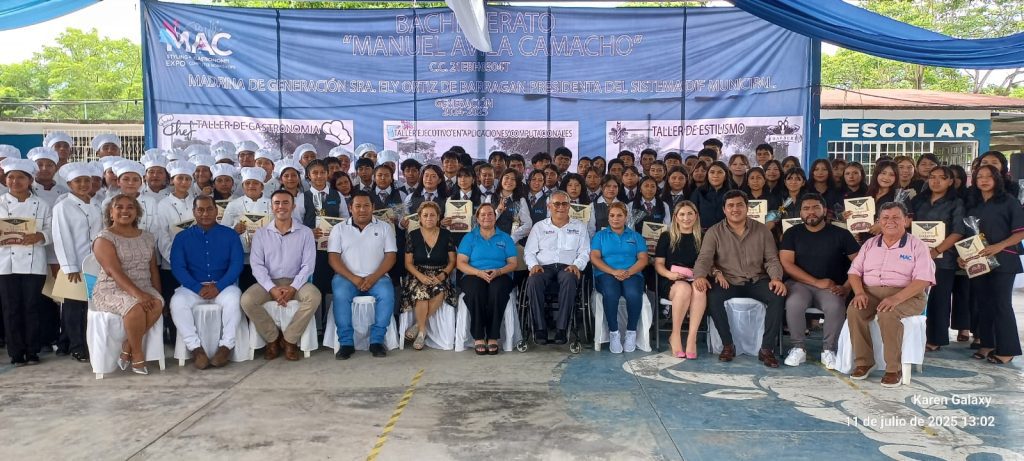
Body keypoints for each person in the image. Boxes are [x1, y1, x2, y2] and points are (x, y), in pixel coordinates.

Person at [693, 190, 787, 367]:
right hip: (729, 281)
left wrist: (776, 278)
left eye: (739, 205)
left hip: (757, 280)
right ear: (724, 209)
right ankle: (728, 345)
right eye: (730, 205)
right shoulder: (714, 232)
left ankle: (766, 349)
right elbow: (705, 258)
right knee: (713, 297)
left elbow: (772, 259)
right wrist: (699, 276)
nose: (735, 209)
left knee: (778, 295)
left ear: (747, 208)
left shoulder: (762, 230)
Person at [847, 202, 935, 386]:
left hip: (908, 295)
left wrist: (896, 298)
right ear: (878, 221)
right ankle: (864, 363)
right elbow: (854, 272)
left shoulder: (917, 246)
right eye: (885, 218)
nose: (890, 221)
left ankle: (893, 369)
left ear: (906, 221)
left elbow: (923, 280)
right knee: (855, 310)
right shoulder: (870, 244)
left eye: (896, 217)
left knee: (888, 312)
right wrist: (859, 293)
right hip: (871, 293)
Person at [780, 193, 860, 369]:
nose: (811, 212)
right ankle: (798, 348)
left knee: (835, 306)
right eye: (806, 208)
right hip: (799, 284)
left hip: (832, 285)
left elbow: (859, 263)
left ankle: (829, 350)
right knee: (794, 304)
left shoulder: (841, 234)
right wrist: (816, 282)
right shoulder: (792, 233)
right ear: (800, 212)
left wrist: (847, 287)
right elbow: (786, 263)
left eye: (816, 207)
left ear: (824, 210)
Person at [240, 190, 322, 361]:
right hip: (268, 281)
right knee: (247, 300)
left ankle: (289, 340)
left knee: (314, 297)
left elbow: (308, 265)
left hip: (296, 281)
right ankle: (272, 338)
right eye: (277, 203)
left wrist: (293, 287)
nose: (281, 207)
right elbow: (257, 265)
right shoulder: (261, 233)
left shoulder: (305, 232)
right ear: (272, 207)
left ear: (293, 206)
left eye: (285, 202)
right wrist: (272, 289)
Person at [169, 196, 245, 370]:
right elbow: (178, 268)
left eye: (209, 209)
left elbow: (236, 265)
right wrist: (197, 287)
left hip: (223, 286)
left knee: (234, 300)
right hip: (192, 287)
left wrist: (218, 286)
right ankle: (196, 350)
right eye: (200, 209)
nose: (205, 213)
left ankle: (225, 347)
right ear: (194, 212)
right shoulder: (182, 237)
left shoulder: (230, 235)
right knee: (177, 303)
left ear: (216, 211)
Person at [90, 194, 163, 375]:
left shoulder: (147, 237)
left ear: (137, 212)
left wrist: (157, 294)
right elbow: (114, 272)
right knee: (136, 308)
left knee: (157, 303)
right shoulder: (104, 238)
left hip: (144, 286)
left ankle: (127, 346)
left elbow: (153, 269)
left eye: (130, 207)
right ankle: (137, 354)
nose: (125, 211)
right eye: (119, 207)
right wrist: (138, 295)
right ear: (111, 212)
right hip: (111, 288)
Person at [963, 165, 1024, 365]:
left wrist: (999, 246)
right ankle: (988, 344)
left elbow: (1020, 232)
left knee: (1001, 304)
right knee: (984, 304)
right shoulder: (974, 204)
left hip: (1004, 260)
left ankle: (1007, 349)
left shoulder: (1009, 202)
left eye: (989, 176)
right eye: (979, 176)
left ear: (997, 179)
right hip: (979, 261)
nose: (984, 180)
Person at [328, 190, 397, 359]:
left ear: (373, 207)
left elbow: (391, 256)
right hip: (346, 278)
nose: (362, 210)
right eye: (357, 206)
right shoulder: (338, 229)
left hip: (378, 277)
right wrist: (354, 278)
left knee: (387, 295)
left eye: (366, 205)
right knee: (340, 295)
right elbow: (333, 258)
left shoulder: (384, 227)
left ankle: (376, 341)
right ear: (350, 208)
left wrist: (373, 277)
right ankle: (346, 343)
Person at [0, 159, 52, 366]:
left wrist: (40, 236)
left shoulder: (42, 205)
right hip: (5, 263)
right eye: (11, 177)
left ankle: (32, 350)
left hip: (34, 263)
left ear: (30, 180)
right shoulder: (0, 203)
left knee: (32, 307)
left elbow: (51, 230)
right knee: (11, 308)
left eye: (21, 177)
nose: (15, 181)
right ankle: (16, 352)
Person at [524, 191, 591, 345]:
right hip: (543, 267)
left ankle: (562, 329)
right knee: (533, 280)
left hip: (568, 267)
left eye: (564, 204)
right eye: (556, 204)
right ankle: (540, 328)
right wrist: (533, 265)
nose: (560, 207)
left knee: (569, 278)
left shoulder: (579, 227)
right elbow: (529, 251)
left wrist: (577, 265)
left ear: (569, 206)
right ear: (549, 206)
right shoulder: (539, 227)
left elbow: (585, 252)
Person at [910, 166, 965, 351]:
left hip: (944, 258)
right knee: (914, 296)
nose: (936, 181)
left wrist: (935, 251)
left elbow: (958, 231)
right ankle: (915, 336)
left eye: (942, 178)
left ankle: (935, 339)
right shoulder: (919, 201)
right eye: (932, 177)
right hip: (915, 257)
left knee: (939, 299)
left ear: (950, 181)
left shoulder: (956, 203)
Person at [52, 162, 103, 362]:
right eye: (77, 181)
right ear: (69, 184)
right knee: (74, 308)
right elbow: (62, 237)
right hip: (74, 264)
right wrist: (69, 266)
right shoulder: (63, 206)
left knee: (91, 306)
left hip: (95, 263)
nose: (83, 184)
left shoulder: (96, 204)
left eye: (86, 181)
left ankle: (90, 343)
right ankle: (77, 346)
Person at [590, 202, 648, 353]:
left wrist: (628, 272)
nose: (615, 219)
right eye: (612, 215)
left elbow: (643, 259)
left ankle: (631, 332)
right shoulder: (600, 236)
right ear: (608, 217)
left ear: (626, 217)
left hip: (632, 273)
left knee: (633, 294)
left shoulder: (636, 236)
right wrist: (613, 271)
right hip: (606, 274)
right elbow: (595, 258)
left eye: (619, 215)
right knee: (611, 294)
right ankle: (614, 333)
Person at [399, 201, 457, 350]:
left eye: (432, 215)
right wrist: (420, 276)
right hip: (418, 273)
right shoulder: (413, 235)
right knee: (421, 293)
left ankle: (418, 326)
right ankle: (422, 333)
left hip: (440, 273)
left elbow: (452, 261)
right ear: (419, 217)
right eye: (425, 215)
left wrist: (443, 275)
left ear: (438, 217)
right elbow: (408, 263)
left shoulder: (446, 234)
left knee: (440, 291)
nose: (429, 218)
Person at [654, 201, 705, 359]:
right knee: (684, 288)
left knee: (699, 289)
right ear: (675, 217)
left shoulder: (703, 237)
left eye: (690, 214)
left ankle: (691, 338)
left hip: (695, 278)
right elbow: (659, 264)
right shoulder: (666, 236)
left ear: (696, 216)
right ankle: (675, 336)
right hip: (672, 281)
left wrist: (701, 275)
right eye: (682, 214)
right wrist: (670, 275)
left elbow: (710, 262)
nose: (686, 218)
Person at [689, 161, 731, 230]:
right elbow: (691, 213)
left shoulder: (732, 194)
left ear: (725, 176)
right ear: (707, 175)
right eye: (712, 172)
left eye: (720, 172)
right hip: (703, 232)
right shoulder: (699, 192)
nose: (715, 175)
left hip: (726, 232)